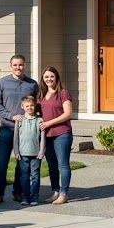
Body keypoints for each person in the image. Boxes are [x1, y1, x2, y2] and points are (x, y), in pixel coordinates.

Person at [0, 54, 38, 205]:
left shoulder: (32, 84)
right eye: (15, 65)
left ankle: (18, 192)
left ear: (25, 65)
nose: (18, 68)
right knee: (1, 163)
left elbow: (37, 105)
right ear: (10, 66)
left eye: (21, 65)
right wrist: (11, 116)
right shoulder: (2, 83)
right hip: (7, 128)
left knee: (22, 163)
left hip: (25, 131)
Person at [38, 66, 73, 205]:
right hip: (47, 135)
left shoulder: (63, 93)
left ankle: (64, 194)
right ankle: (56, 192)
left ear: (56, 77)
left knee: (63, 164)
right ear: (43, 79)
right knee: (52, 165)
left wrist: (48, 123)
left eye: (51, 76)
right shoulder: (41, 95)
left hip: (62, 133)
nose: (49, 79)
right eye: (46, 77)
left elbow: (67, 114)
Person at [12, 95, 45, 206]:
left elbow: (42, 138)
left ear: (35, 106)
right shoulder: (19, 120)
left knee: (35, 176)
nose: (30, 108)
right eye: (27, 106)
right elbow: (15, 137)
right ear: (22, 106)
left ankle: (34, 197)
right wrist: (16, 151)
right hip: (22, 154)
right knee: (24, 176)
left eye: (32, 105)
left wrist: (41, 151)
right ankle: (25, 197)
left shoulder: (39, 120)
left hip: (36, 154)